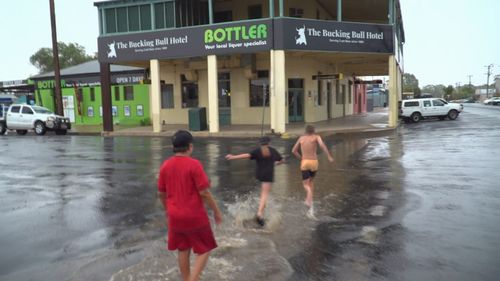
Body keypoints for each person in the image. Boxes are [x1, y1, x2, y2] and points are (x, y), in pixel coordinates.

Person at [158, 130, 223, 281]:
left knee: (183, 248)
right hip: (194, 216)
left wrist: (168, 211)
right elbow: (204, 193)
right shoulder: (194, 165)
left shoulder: (165, 166)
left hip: (175, 216)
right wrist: (216, 211)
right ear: (190, 146)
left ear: (173, 147)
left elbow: (161, 193)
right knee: (205, 249)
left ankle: (187, 278)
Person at [225, 136, 284, 227]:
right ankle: (259, 214)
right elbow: (281, 160)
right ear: (268, 143)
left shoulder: (258, 151)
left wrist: (233, 157)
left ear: (260, 143)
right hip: (268, 175)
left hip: (260, 175)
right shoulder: (273, 151)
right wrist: (276, 163)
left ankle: (261, 209)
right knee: (265, 194)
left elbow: (246, 155)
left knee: (263, 193)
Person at [292, 125, 334, 217]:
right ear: (313, 131)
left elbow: (294, 151)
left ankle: (308, 197)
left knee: (305, 184)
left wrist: (301, 158)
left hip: (305, 162)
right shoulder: (316, 137)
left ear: (305, 131)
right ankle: (310, 202)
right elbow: (322, 146)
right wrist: (329, 156)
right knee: (311, 181)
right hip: (314, 162)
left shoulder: (301, 138)